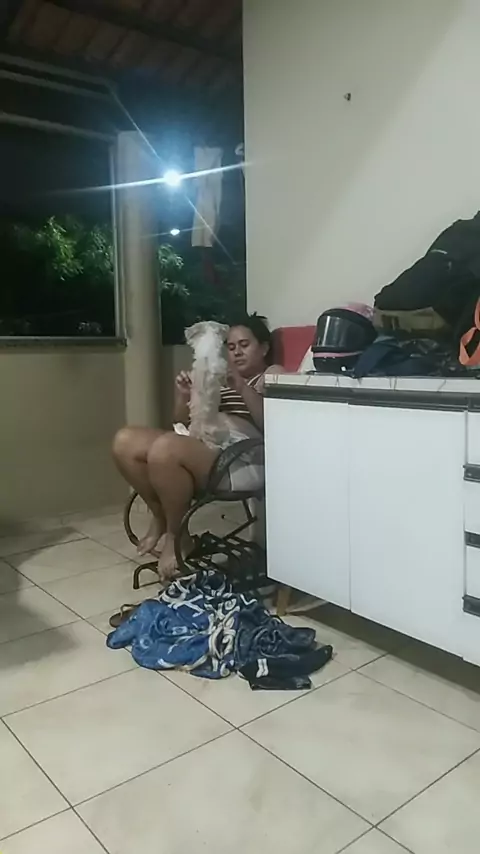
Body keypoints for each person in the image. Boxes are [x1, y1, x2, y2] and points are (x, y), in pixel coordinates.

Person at [112, 314, 284, 581]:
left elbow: (276, 426)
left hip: (241, 457)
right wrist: (185, 396)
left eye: (244, 345)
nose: (236, 352)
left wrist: (241, 387)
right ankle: (161, 517)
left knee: (165, 448)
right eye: (231, 347)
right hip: (206, 443)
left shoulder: (273, 374)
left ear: (263, 348)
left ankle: (176, 536)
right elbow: (180, 422)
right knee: (125, 441)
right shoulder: (220, 379)